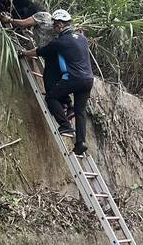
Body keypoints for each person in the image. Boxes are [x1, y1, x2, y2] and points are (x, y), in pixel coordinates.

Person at [19, 9, 94, 156]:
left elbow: (39, 51)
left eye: (54, 25)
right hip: (88, 80)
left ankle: (65, 125)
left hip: (74, 78)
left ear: (60, 25)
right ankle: (81, 143)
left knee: (51, 97)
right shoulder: (82, 38)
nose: (54, 27)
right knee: (80, 111)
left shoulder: (60, 41)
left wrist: (24, 53)